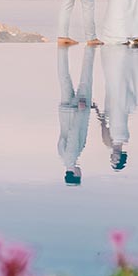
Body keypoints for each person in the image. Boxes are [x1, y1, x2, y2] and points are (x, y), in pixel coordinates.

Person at [97, 43, 138, 171]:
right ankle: (122, 58)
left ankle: (120, 58)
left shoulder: (110, 142)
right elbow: (105, 123)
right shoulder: (123, 139)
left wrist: (96, 110)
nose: (113, 158)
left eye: (112, 160)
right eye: (115, 160)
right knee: (118, 83)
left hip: (114, 106)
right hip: (119, 107)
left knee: (115, 84)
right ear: (120, 157)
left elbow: (103, 123)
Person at [57, 45, 95, 185]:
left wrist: (80, 112)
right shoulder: (62, 156)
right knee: (64, 78)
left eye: (80, 176)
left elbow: (74, 134)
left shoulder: (71, 157)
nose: (81, 173)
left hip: (77, 111)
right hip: (64, 112)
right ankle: (61, 51)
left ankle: (90, 48)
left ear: (75, 174)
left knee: (86, 79)